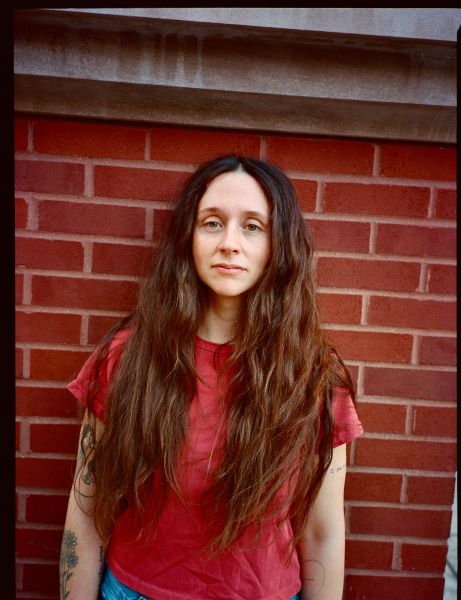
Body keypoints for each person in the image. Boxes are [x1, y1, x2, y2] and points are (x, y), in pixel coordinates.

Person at [60, 154, 363, 600]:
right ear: (189, 237)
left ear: (279, 245)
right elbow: (86, 513)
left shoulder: (315, 377)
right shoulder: (128, 357)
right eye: (212, 223)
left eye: (253, 226)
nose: (230, 243)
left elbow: (322, 531)